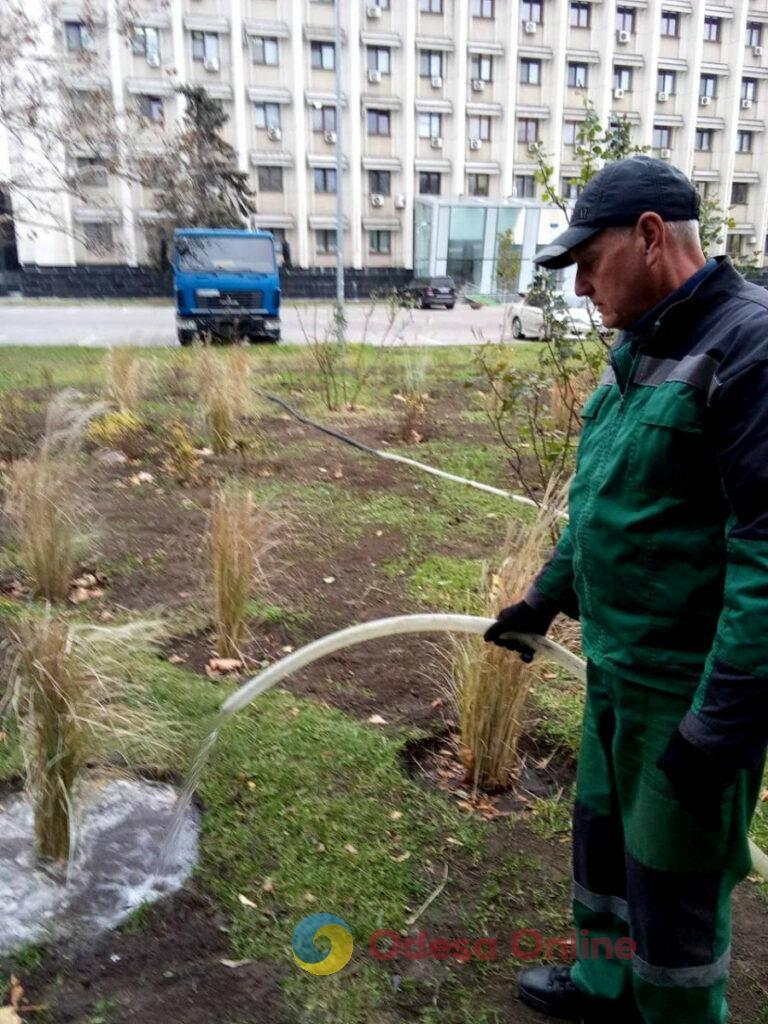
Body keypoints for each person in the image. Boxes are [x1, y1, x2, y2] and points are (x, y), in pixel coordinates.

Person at [484, 155, 768, 1024]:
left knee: (672, 890)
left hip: (686, 693)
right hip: (616, 670)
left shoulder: (750, 348)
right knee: (604, 857)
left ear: (650, 237)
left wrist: (716, 728)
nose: (577, 290)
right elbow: (605, 505)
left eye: (585, 264)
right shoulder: (637, 347)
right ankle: (605, 986)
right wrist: (544, 598)